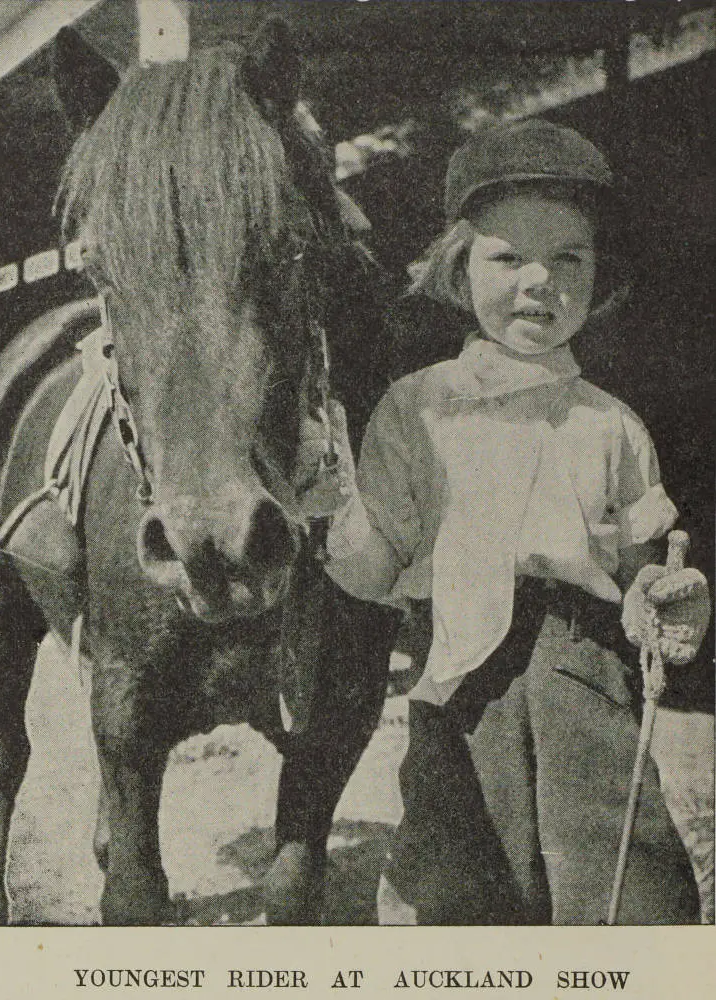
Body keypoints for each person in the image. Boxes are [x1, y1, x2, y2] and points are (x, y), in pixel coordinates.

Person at [298, 118, 711, 924]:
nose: (540, 282)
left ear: (600, 276)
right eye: (508, 257)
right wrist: (329, 510)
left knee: (625, 893)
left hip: (584, 678)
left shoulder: (612, 424)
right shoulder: (416, 406)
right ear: (458, 269)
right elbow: (371, 569)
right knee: (459, 892)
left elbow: (638, 575)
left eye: (569, 259)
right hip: (456, 686)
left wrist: (666, 595)